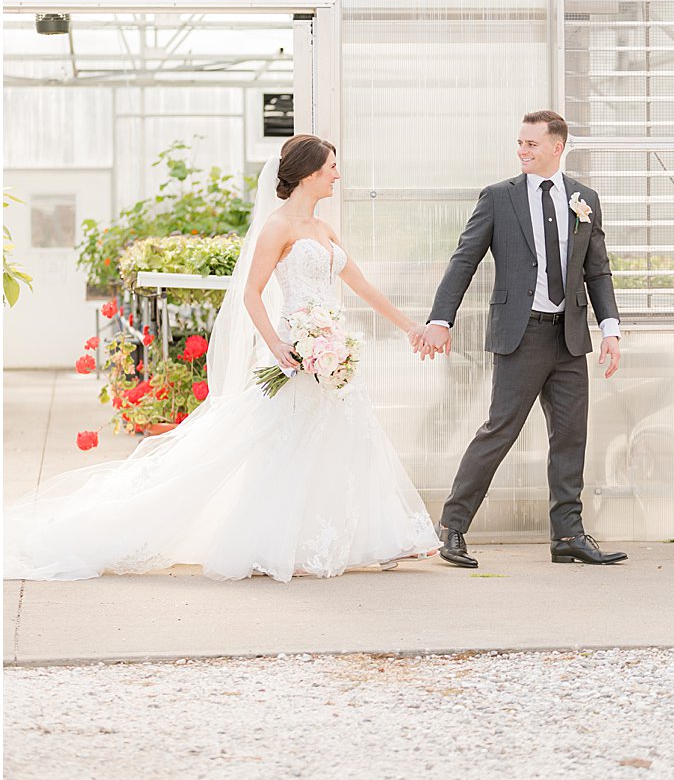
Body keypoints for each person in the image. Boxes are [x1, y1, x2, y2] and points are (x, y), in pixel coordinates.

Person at [5, 135, 441, 582]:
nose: (337, 174)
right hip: (296, 351)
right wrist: (277, 345)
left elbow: (362, 285)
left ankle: (373, 538)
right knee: (282, 447)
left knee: (351, 441)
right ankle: (267, 541)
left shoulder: (324, 230)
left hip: (332, 353)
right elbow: (252, 293)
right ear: (309, 174)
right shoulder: (278, 227)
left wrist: (409, 327)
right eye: (331, 167)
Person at [417, 109, 626, 568]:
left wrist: (609, 328)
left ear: (557, 146)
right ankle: (452, 527)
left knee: (571, 438)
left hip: (570, 339)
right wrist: (440, 319)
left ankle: (568, 534)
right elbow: (463, 260)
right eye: (520, 143)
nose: (522, 151)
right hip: (521, 335)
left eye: (532, 144)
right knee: (499, 431)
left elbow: (598, 269)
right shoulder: (498, 198)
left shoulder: (583, 199)